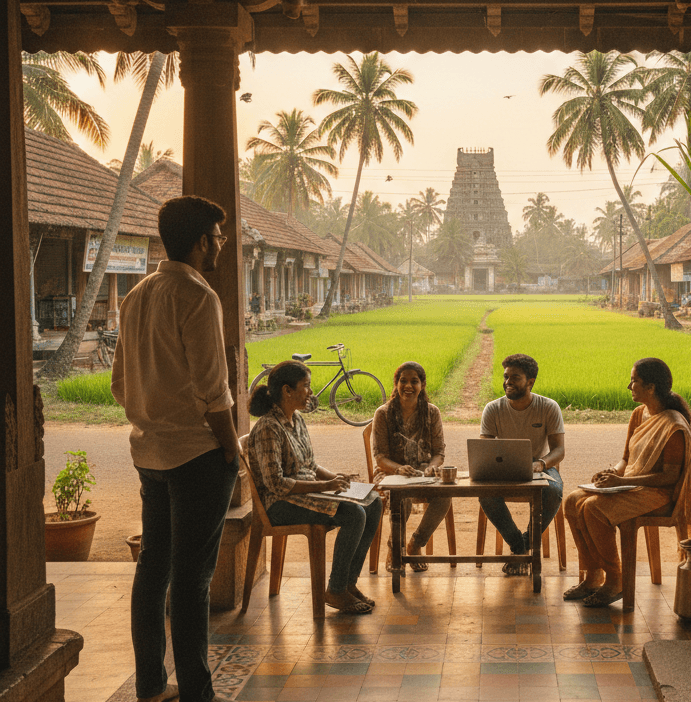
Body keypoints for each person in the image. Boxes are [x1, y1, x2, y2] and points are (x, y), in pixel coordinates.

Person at [112, 195, 240, 702]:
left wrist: (152, 418)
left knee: (154, 569)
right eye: (217, 236)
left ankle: (150, 685)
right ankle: (197, 691)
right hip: (198, 456)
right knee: (192, 580)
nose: (221, 246)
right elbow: (214, 390)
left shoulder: (136, 295)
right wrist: (232, 448)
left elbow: (121, 383)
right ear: (199, 240)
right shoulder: (198, 296)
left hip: (150, 454)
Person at [562, 357, 691, 608]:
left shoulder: (674, 425)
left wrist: (622, 480)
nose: (629, 386)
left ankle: (616, 580)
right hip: (631, 485)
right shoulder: (639, 414)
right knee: (572, 501)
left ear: (651, 387)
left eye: (634, 381)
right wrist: (611, 473)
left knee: (593, 507)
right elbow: (626, 459)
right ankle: (594, 576)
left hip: (658, 493)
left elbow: (670, 477)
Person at [248, 361, 381, 614]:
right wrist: (326, 485)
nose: (310, 392)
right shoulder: (268, 428)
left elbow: (310, 464)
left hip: (306, 494)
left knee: (374, 501)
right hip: (280, 505)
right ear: (287, 391)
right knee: (354, 514)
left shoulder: (296, 419)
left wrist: (338, 480)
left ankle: (348, 582)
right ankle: (335, 589)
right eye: (306, 386)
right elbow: (275, 484)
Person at [479, 353, 565, 576]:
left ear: (530, 382)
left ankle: (522, 547)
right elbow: (485, 448)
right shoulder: (492, 409)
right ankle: (521, 548)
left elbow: (559, 450)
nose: (508, 382)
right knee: (485, 494)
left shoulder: (548, 407)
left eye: (515, 377)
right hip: (503, 470)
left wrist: (541, 464)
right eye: (506, 376)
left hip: (540, 467)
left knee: (554, 491)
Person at [371, 361, 450, 573]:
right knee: (401, 496)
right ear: (396, 384)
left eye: (414, 381)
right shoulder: (383, 414)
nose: (408, 386)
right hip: (390, 472)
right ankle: (394, 548)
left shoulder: (432, 413)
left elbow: (439, 452)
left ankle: (415, 544)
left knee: (445, 495)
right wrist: (398, 469)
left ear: (422, 385)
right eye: (403, 381)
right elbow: (379, 457)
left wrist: (432, 467)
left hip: (422, 471)